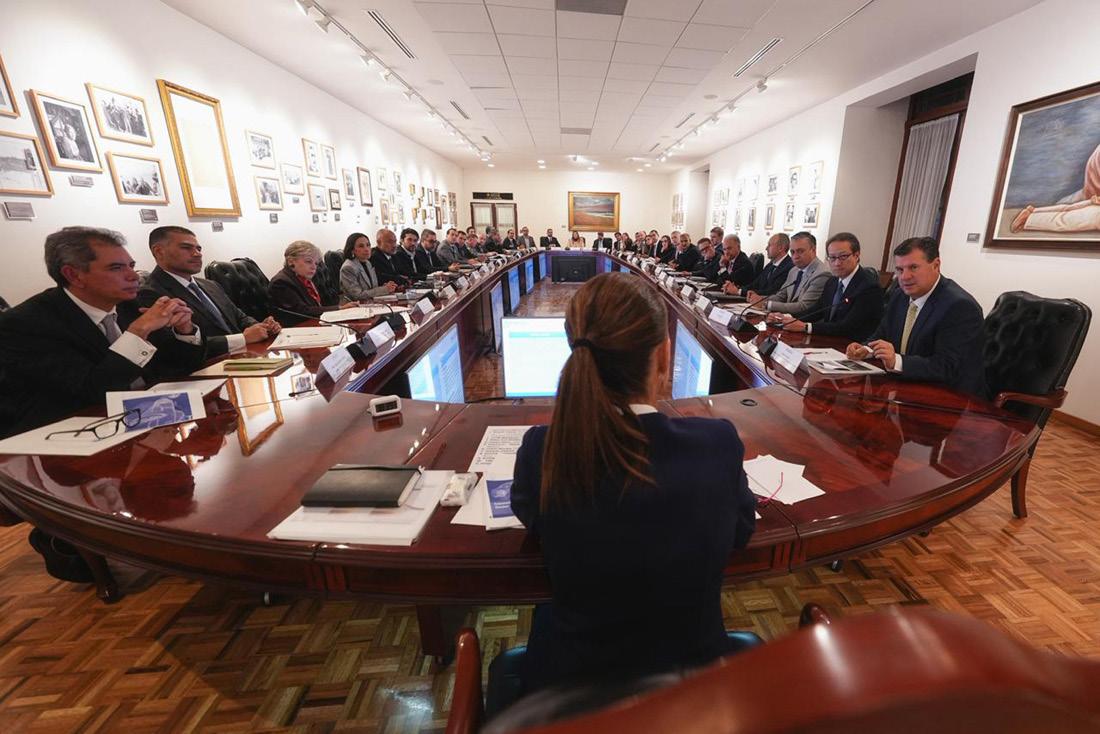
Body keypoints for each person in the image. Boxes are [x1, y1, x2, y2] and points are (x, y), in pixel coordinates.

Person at [510, 272, 756, 694]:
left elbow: (534, 520)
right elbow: (741, 531)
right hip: (697, 690)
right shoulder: (718, 443)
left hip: (572, 694)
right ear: (664, 355)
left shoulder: (542, 448)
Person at [0, 226, 205, 440]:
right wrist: (138, 332)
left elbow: (180, 366)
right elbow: (93, 391)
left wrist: (185, 330)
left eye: (131, 266)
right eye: (116, 268)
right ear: (74, 275)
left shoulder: (129, 305)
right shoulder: (26, 324)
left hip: (143, 423)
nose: (133, 276)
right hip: (68, 438)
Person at [846, 236, 987, 397]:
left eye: (913, 267)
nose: (904, 277)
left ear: (936, 265)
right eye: (900, 270)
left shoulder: (960, 307)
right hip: (906, 387)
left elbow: (947, 367)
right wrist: (866, 349)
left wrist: (896, 361)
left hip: (949, 398)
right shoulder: (900, 296)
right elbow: (882, 334)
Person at [139, 226, 279, 357]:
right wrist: (242, 338)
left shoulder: (210, 285)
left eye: (198, 249)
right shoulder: (151, 294)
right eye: (186, 248)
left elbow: (239, 317)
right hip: (207, 366)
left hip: (245, 356)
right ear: (159, 251)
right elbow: (175, 348)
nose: (197, 254)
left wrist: (261, 326)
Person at [771, 232, 883, 341]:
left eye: (843, 256)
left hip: (853, 346)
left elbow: (848, 327)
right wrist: (787, 317)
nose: (837, 263)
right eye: (832, 258)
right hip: (830, 341)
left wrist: (806, 327)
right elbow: (817, 310)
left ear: (856, 255)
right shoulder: (832, 281)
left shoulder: (869, 287)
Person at [269, 240, 352, 324]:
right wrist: (339, 308)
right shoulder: (281, 282)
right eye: (308, 261)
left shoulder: (304, 278)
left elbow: (317, 306)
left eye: (316, 263)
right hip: (297, 327)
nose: (314, 267)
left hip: (315, 322)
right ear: (291, 262)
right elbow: (302, 311)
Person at [758, 232, 829, 316]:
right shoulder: (793, 270)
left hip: (802, 320)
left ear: (813, 250)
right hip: (785, 318)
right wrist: (759, 299)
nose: (795, 256)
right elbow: (780, 296)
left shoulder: (821, 274)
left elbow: (803, 306)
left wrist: (767, 304)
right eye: (792, 252)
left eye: (800, 251)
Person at [339, 232, 397, 301]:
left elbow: (372, 289)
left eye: (368, 245)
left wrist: (386, 287)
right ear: (352, 250)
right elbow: (357, 296)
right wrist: (384, 289)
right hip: (355, 305)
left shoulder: (367, 263)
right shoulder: (348, 268)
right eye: (361, 246)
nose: (366, 249)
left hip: (371, 303)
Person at [738, 233, 792, 298]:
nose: (766, 248)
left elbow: (772, 292)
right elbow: (755, 284)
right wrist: (739, 289)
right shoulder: (770, 265)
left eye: (769, 245)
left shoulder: (789, 267)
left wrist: (740, 292)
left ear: (780, 248)